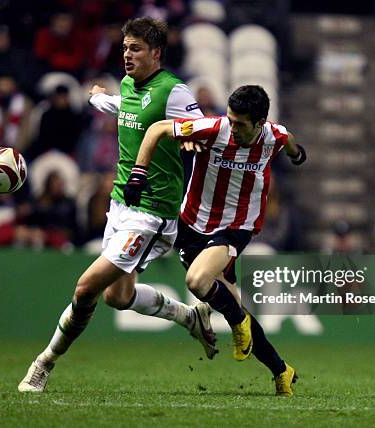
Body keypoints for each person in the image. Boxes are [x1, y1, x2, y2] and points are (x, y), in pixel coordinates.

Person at [18, 17, 216, 393]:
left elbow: (202, 126)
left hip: (151, 213)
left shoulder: (174, 92)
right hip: (120, 205)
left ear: (156, 53)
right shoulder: (127, 85)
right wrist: (96, 97)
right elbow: (123, 106)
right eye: (125, 48)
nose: (127, 55)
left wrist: (192, 139)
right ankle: (190, 317)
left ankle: (44, 363)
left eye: (136, 49)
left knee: (85, 288)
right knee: (118, 297)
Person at [123, 85, 307, 397]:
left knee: (197, 281)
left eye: (240, 124)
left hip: (237, 225)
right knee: (232, 302)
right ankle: (281, 371)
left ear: (260, 123)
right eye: (230, 120)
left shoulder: (273, 136)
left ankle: (237, 324)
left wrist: (297, 154)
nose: (232, 128)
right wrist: (138, 174)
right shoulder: (212, 128)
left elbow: (289, 142)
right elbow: (156, 130)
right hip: (191, 225)